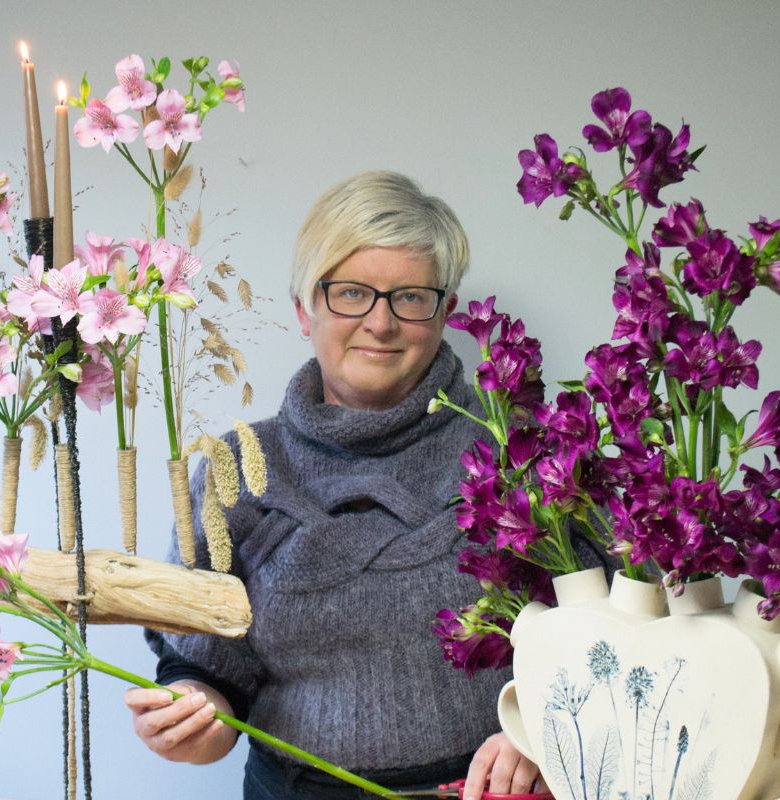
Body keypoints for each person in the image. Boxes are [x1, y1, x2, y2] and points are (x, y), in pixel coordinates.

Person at [126, 171, 548, 800]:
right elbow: (210, 673)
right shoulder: (238, 466)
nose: (380, 323)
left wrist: (540, 731)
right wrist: (191, 712)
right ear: (304, 307)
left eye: (410, 297)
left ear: (445, 313)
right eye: (352, 293)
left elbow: (606, 635)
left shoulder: (519, 453)